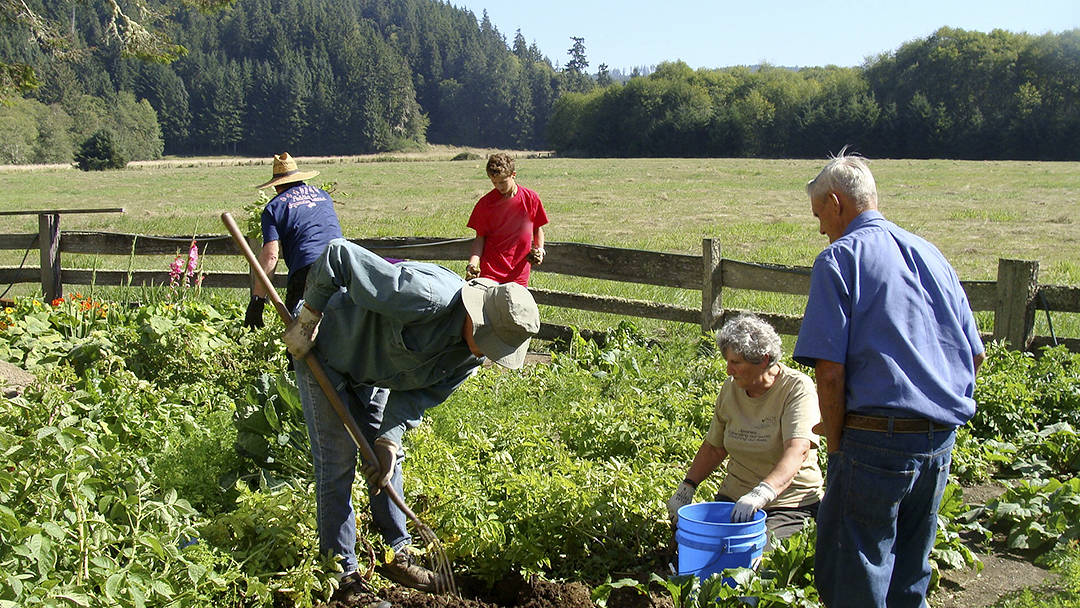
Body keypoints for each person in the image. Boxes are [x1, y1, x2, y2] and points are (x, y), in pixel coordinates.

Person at [281, 238, 540, 595]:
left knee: (386, 462)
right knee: (337, 464)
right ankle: (342, 575)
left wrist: (388, 439)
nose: (489, 354)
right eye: (491, 343)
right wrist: (309, 317)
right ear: (477, 319)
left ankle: (396, 555)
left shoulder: (469, 358)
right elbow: (339, 255)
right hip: (324, 349)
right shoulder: (425, 296)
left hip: (374, 373)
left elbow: (417, 397)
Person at [792, 151, 985, 608]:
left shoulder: (839, 259)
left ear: (836, 203)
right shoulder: (931, 254)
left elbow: (830, 372)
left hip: (873, 443)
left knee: (854, 573)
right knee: (909, 572)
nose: (821, 227)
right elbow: (974, 356)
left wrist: (837, 446)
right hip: (938, 442)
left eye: (820, 215)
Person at [667, 314, 823, 550]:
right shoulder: (731, 388)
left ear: (763, 360)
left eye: (736, 363)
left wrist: (763, 492)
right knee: (693, 547)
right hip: (736, 498)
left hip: (788, 503)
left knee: (758, 557)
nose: (729, 370)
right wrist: (687, 486)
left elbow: (797, 449)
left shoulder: (797, 388)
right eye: (727, 362)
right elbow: (714, 447)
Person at [244, 152, 342, 328]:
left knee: (297, 335)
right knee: (340, 325)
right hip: (341, 262)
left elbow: (271, 256)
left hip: (307, 269)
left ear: (276, 186)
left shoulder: (274, 207)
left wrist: (257, 300)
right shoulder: (323, 195)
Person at [465, 153, 548, 286]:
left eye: (503, 182)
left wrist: (540, 250)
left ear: (513, 174)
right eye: (494, 182)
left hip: (519, 273)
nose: (499, 187)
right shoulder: (485, 204)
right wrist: (472, 264)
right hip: (490, 273)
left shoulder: (531, 198)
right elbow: (479, 238)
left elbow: (537, 228)